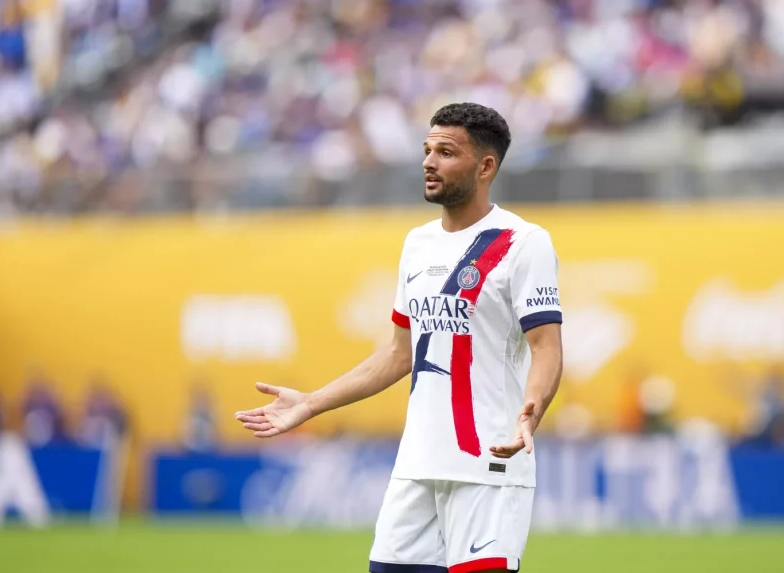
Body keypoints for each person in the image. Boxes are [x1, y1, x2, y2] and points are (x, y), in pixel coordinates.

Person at [235, 103, 563, 573]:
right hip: (417, 464)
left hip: (487, 464)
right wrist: (311, 403)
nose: (428, 162)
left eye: (446, 152)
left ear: (486, 166)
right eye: (427, 150)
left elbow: (545, 345)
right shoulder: (418, 244)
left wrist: (533, 409)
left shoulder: (524, 242)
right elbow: (397, 353)